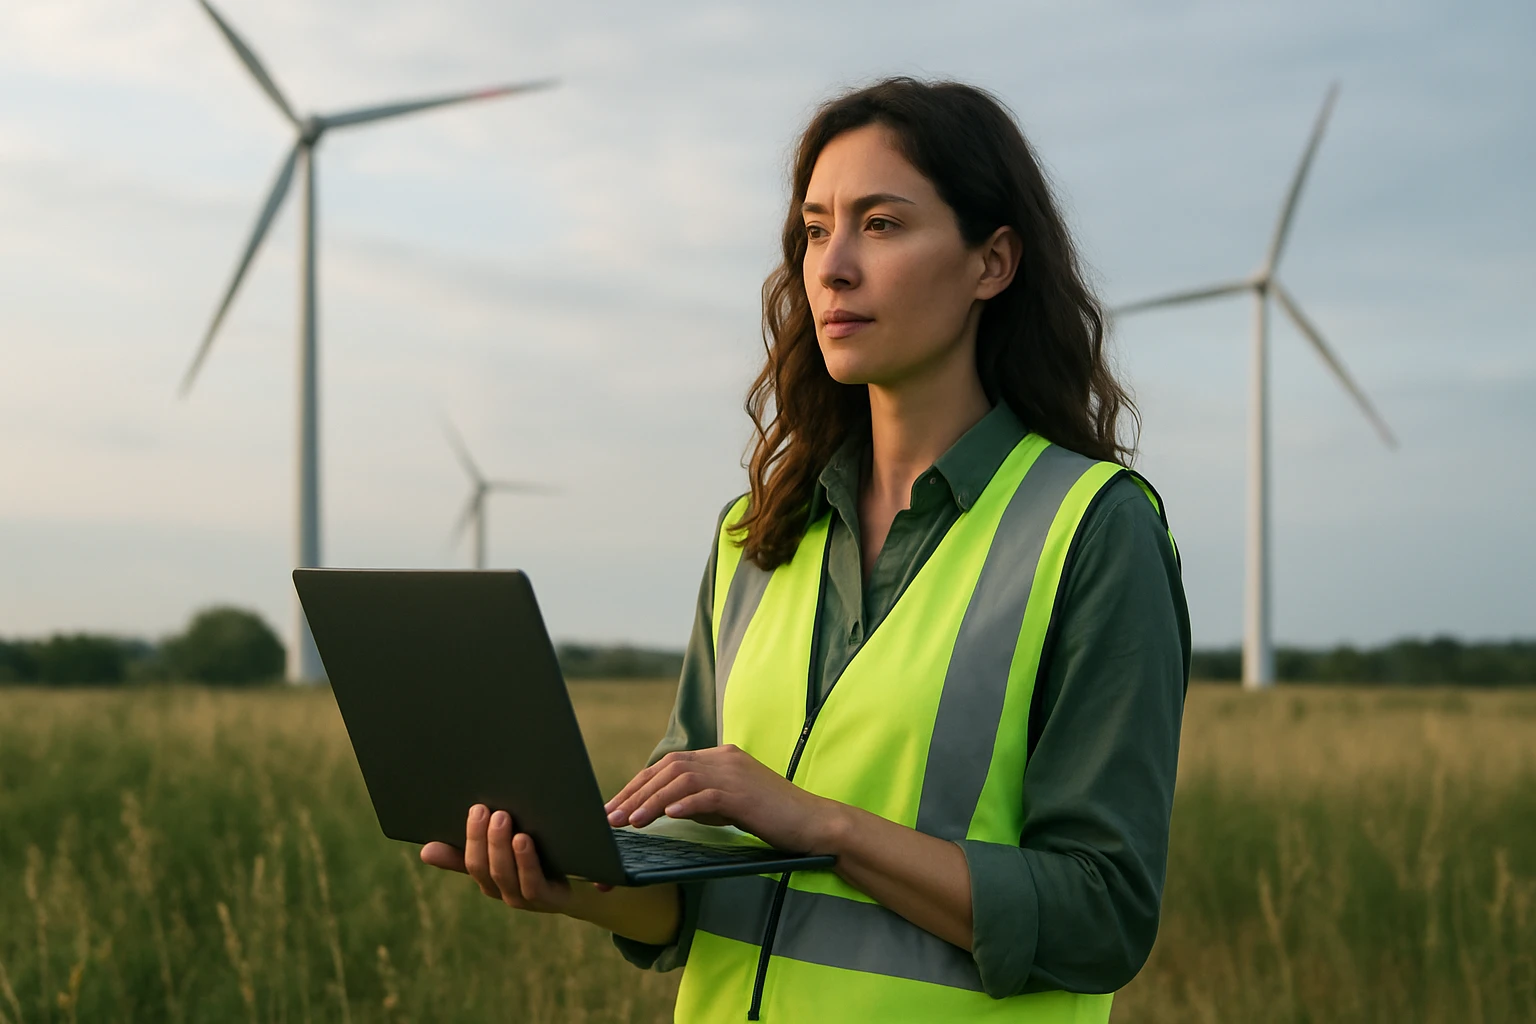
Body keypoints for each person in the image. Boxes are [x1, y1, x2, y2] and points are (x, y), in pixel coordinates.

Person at [422, 76, 1190, 1022]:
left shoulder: (1093, 530)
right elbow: (690, 885)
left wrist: (819, 823)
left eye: (882, 223)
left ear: (993, 262)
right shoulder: (753, 537)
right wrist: (569, 877)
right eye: (816, 229)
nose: (832, 267)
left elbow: (1101, 918)